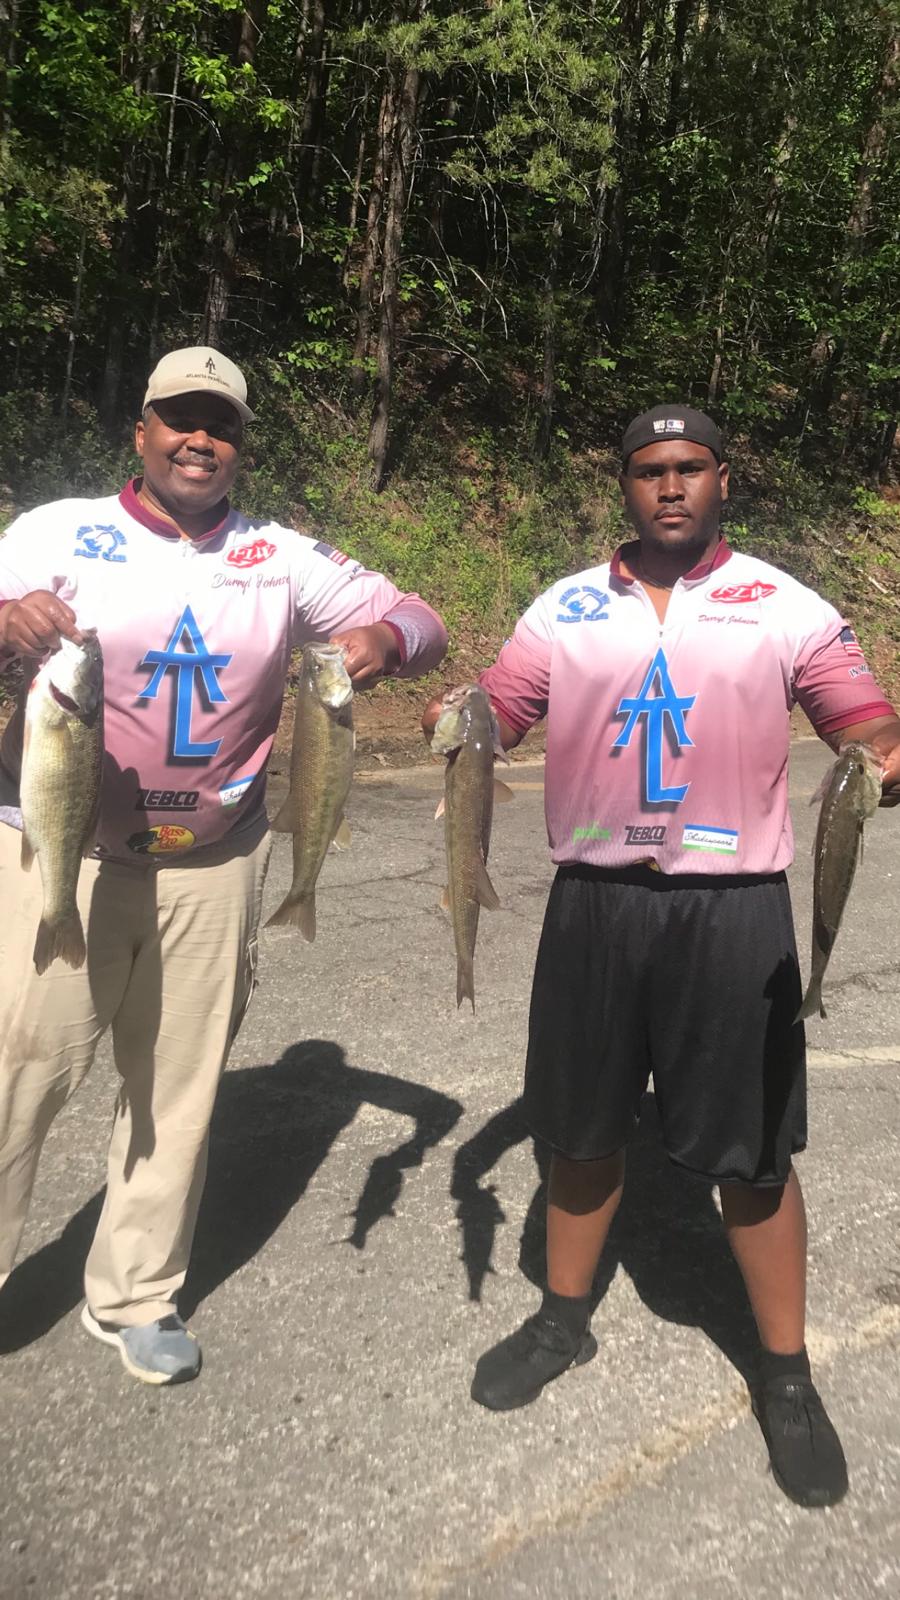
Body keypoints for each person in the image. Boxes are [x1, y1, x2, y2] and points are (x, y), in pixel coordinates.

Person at [423, 403, 900, 1508]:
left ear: (723, 478)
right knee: (581, 1132)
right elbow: (500, 708)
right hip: (595, 903)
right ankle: (561, 1317)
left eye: (690, 467)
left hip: (732, 913)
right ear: (625, 486)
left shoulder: (785, 603)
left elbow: (863, 721)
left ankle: (785, 1374)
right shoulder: (565, 606)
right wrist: (466, 715)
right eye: (649, 470)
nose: (670, 486)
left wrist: (881, 755)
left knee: (754, 1156)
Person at [0, 346, 448, 1385]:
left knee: (179, 1088)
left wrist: (385, 636)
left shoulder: (282, 556)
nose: (200, 440)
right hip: (60, 847)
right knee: (19, 1074)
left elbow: (422, 623)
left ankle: (136, 1294)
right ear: (142, 429)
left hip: (215, 860)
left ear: (243, 445)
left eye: (222, 425)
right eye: (179, 419)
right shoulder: (54, 533)